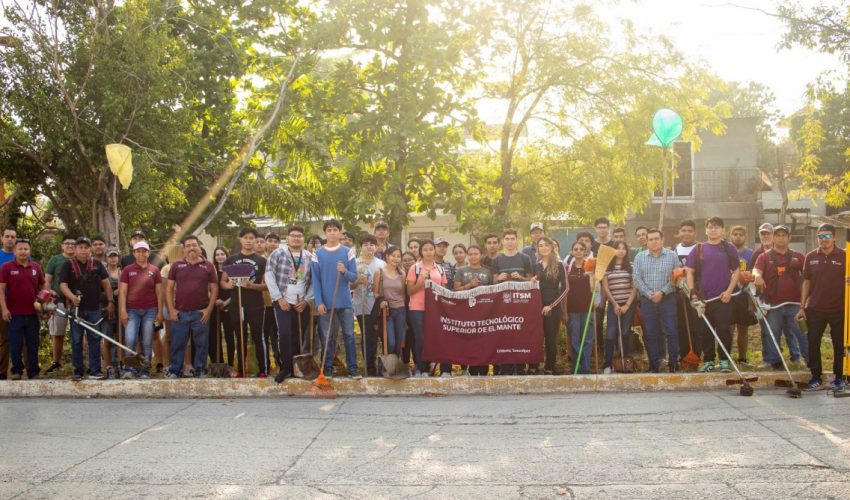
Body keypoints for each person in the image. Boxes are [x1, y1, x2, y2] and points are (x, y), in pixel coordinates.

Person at [685, 217, 741, 373]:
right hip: (704, 299)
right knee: (705, 330)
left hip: (723, 298)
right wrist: (692, 293)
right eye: (710, 227)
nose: (713, 230)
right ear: (706, 230)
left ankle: (724, 361)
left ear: (723, 230)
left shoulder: (728, 248)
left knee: (723, 329)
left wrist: (729, 291)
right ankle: (708, 360)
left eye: (716, 227)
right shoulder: (698, 249)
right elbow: (689, 271)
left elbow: (737, 271)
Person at [797, 223, 846, 391]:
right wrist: (802, 306)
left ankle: (839, 377)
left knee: (839, 344)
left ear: (834, 237)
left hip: (839, 310)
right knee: (813, 342)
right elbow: (806, 282)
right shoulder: (810, 257)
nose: (823, 240)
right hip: (815, 309)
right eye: (820, 236)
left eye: (827, 236)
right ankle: (815, 377)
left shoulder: (845, 256)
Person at [752, 225, 807, 370]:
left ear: (789, 238)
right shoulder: (763, 257)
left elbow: (809, 276)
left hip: (795, 304)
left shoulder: (799, 256)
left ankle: (810, 361)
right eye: (778, 235)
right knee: (772, 332)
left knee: (802, 333)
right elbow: (756, 270)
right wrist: (757, 276)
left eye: (784, 235)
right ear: (773, 238)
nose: (781, 238)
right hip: (773, 304)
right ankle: (775, 362)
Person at [311, 220, 361, 379]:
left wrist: (344, 271)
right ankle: (327, 369)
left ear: (340, 233)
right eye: (329, 230)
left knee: (349, 336)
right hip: (326, 303)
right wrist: (319, 302)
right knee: (328, 338)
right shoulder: (317, 253)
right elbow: (316, 280)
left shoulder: (348, 252)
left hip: (345, 302)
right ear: (325, 233)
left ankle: (353, 369)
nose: (332, 232)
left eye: (335, 230)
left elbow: (354, 277)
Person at [59, 236, 113, 380]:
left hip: (94, 308)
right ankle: (78, 370)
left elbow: (106, 284)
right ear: (75, 250)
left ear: (90, 249)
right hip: (76, 309)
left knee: (95, 339)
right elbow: (63, 285)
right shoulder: (68, 265)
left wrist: (110, 302)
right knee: (76, 339)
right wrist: (72, 297)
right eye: (80, 247)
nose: (83, 250)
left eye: (86, 247)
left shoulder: (97, 264)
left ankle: (95, 370)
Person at [266, 225, 314, 383]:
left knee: (298, 336)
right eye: (293, 236)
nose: (296, 238)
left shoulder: (308, 256)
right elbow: (269, 276)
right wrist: (279, 298)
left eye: (299, 236)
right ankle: (285, 367)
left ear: (303, 238)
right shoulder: (278, 253)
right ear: (287, 238)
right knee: (284, 334)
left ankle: (296, 367)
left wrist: (307, 300)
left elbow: (314, 281)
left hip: (301, 302)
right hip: (283, 301)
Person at [166, 236, 218, 378]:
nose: (191, 248)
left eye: (194, 245)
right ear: (184, 249)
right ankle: (175, 370)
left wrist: (208, 310)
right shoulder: (176, 266)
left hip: (200, 313)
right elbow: (169, 288)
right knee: (178, 344)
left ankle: (200, 370)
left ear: (199, 247)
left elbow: (214, 289)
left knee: (202, 345)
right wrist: (171, 310)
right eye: (188, 246)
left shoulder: (208, 266)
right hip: (180, 313)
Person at [220, 228, 269, 378]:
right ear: (240, 239)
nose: (248, 240)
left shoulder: (262, 261)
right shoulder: (231, 260)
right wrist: (228, 285)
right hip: (237, 304)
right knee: (240, 337)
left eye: (251, 238)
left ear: (255, 240)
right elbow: (223, 281)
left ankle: (263, 370)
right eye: (245, 237)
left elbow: (266, 286)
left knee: (257, 337)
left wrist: (251, 286)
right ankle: (241, 369)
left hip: (256, 305)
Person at [633, 229, 681, 373]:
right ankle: (654, 364)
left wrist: (663, 292)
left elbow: (676, 277)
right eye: (651, 239)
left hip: (668, 299)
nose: (654, 241)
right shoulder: (640, 257)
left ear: (662, 240)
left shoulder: (672, 256)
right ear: (646, 242)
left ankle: (673, 363)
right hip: (647, 301)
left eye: (656, 238)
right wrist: (649, 294)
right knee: (650, 332)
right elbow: (636, 278)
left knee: (671, 331)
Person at [0, 238, 46, 380]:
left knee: (33, 344)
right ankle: (17, 371)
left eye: (26, 249)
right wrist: (4, 309)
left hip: (32, 313)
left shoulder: (36, 267)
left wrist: (43, 301)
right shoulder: (7, 267)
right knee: (15, 344)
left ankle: (33, 372)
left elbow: (42, 286)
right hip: (14, 314)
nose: (23, 251)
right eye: (20, 249)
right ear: (14, 251)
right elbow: (1, 289)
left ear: (29, 251)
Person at [118, 241, 163, 379]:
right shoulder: (127, 270)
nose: (141, 253)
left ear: (148, 253)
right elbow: (123, 292)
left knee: (147, 341)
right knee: (130, 339)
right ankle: (130, 369)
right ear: (134, 253)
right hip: (132, 310)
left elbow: (159, 293)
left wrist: (160, 312)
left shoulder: (154, 270)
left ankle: (145, 370)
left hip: (150, 310)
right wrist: (123, 311)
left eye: (144, 251)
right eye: (138, 251)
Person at [492, 229, 534, 375]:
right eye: (507, 239)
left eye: (512, 239)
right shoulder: (497, 259)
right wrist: (498, 278)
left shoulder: (525, 258)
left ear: (517, 241)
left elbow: (531, 280)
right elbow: (492, 282)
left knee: (520, 334)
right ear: (503, 241)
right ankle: (506, 367)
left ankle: (520, 366)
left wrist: (521, 278)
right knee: (504, 334)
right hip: (503, 304)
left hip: (521, 303)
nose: (510, 241)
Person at [406, 240, 446, 377]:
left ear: (434, 251)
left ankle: (434, 365)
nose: (428, 252)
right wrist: (420, 282)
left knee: (435, 338)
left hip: (435, 308)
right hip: (417, 308)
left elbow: (443, 290)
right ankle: (422, 369)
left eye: (431, 249)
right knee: (420, 338)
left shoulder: (440, 269)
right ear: (421, 252)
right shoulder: (415, 268)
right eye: (425, 250)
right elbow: (410, 291)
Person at [453, 244, 493, 376]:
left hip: (484, 312)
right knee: (468, 339)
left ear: (480, 255)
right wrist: (470, 285)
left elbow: (493, 291)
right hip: (465, 311)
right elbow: (455, 290)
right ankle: (468, 368)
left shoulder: (487, 271)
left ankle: (484, 367)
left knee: (483, 339)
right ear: (467, 256)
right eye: (470, 254)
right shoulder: (461, 271)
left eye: (476, 254)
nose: (473, 256)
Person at [352, 234, 385, 376]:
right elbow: (349, 285)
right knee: (367, 336)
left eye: (371, 244)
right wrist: (357, 282)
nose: (369, 247)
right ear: (361, 247)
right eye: (365, 244)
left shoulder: (381, 264)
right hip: (361, 305)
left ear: (376, 247)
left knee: (376, 336)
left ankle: (380, 364)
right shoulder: (354, 263)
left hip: (377, 305)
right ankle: (369, 366)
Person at [601, 241, 637, 374]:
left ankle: (624, 362)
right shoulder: (607, 267)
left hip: (628, 304)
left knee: (625, 333)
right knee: (611, 334)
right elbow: (606, 287)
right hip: (613, 304)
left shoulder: (631, 266)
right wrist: (615, 304)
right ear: (613, 250)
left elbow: (635, 286)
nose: (621, 251)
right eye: (618, 248)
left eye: (623, 248)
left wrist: (627, 305)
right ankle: (608, 364)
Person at [534, 237, 568, 375]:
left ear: (552, 247)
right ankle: (534, 366)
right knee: (536, 338)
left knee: (550, 338)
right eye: (540, 245)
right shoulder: (536, 265)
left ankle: (549, 367)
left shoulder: (560, 265)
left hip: (552, 308)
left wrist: (551, 306)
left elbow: (566, 289)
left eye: (546, 245)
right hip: (537, 308)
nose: (543, 247)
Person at [44, 235, 76, 374]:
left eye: (73, 243)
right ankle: (56, 362)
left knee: (79, 334)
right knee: (58, 333)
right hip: (59, 302)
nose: (70, 246)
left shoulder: (80, 260)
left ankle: (79, 363)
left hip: (76, 302)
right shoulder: (55, 260)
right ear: (62, 245)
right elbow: (47, 281)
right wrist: (49, 299)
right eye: (67, 243)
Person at [565, 241, 594, 374]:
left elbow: (595, 289)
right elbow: (564, 290)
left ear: (585, 252)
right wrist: (564, 310)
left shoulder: (590, 267)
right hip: (572, 309)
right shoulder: (567, 268)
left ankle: (586, 369)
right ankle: (576, 368)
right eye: (575, 249)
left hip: (588, 308)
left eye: (581, 249)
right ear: (571, 252)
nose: (578, 251)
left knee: (587, 340)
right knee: (575, 339)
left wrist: (591, 277)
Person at [374, 247, 406, 358]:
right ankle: (385, 365)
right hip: (386, 311)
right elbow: (376, 293)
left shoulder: (402, 274)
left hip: (401, 310)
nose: (396, 259)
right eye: (393, 255)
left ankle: (394, 368)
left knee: (398, 343)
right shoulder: (380, 272)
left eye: (398, 256)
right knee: (390, 342)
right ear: (387, 256)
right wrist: (381, 301)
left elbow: (402, 294)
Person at [674, 219, 699, 362]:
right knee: (682, 327)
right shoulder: (674, 250)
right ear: (679, 232)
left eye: (690, 231)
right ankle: (684, 356)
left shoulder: (700, 249)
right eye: (683, 230)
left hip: (697, 294)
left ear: (695, 233)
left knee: (697, 327)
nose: (686, 233)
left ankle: (697, 355)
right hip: (680, 296)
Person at [211, 247, 235, 368]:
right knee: (216, 336)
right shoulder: (212, 271)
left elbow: (236, 291)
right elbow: (208, 288)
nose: (220, 256)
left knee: (229, 336)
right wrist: (215, 301)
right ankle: (218, 363)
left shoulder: (232, 271)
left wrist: (225, 303)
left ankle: (230, 364)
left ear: (227, 255)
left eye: (222, 254)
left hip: (229, 306)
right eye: (217, 255)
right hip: (214, 307)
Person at [0, 226, 17, 379]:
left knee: (22, 340)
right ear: (2, 238)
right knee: (3, 340)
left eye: (12, 237)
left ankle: (21, 370)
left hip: (19, 305)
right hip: (1, 304)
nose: (10, 239)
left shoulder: (23, 256)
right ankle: (2, 373)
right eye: (7, 236)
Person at [101, 247, 121, 378]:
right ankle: (108, 367)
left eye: (115, 256)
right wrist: (112, 295)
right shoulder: (102, 273)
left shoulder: (123, 272)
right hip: (106, 308)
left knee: (120, 339)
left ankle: (120, 365)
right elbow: (98, 292)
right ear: (106, 258)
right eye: (110, 256)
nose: (113, 259)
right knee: (107, 339)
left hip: (121, 309)